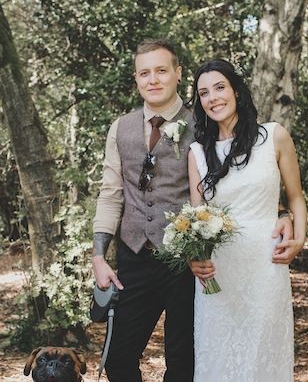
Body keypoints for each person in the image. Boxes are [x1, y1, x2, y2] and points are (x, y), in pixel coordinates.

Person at [92, 41, 295, 382]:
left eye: (161, 70)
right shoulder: (120, 128)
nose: (153, 79)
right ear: (136, 79)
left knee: (183, 363)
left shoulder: (204, 123)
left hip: (187, 263)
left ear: (177, 74)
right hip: (134, 258)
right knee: (118, 358)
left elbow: (243, 177)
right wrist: (99, 256)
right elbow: (110, 194)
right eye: (145, 73)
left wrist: (283, 212)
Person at [188, 59, 306, 382]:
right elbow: (195, 221)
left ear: (236, 91)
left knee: (263, 358)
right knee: (218, 362)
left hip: (265, 267)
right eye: (203, 93)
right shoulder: (197, 152)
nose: (212, 97)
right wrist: (192, 258)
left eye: (219, 87)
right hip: (217, 275)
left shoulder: (274, 137)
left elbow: (295, 197)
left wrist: (299, 238)